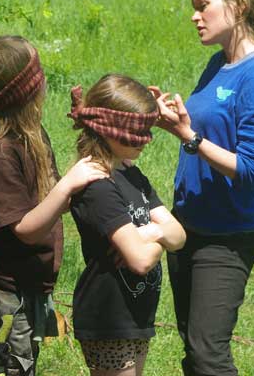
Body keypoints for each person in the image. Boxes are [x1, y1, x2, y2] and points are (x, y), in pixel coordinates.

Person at [153, 0, 254, 376]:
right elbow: (203, 131)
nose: (194, 16)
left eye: (203, 6)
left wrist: (189, 136)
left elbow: (251, 168)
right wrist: (175, 121)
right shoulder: (218, 64)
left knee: (208, 355)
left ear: (239, 5)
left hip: (226, 237)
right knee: (194, 349)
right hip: (187, 226)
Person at [0, 35, 108, 376]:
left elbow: (51, 196)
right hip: (1, 295)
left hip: (23, 285)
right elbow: (25, 229)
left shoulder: (31, 133)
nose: (44, 82)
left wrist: (93, 138)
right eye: (38, 76)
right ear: (22, 92)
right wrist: (67, 186)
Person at [68, 74, 186, 376]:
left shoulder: (133, 176)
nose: (146, 140)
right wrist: (156, 238)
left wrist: (150, 232)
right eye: (137, 133)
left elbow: (178, 235)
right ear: (109, 129)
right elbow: (141, 260)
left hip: (136, 314)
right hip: (109, 317)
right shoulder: (99, 185)